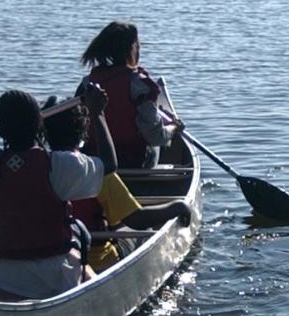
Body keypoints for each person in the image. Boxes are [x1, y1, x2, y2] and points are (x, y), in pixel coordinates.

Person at [0, 83, 116, 301]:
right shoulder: (60, 164)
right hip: (59, 277)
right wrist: (97, 113)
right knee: (98, 283)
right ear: (40, 125)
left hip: (3, 280)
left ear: (0, 130)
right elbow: (109, 164)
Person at [42, 99, 192, 274]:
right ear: (84, 133)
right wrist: (176, 207)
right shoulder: (96, 172)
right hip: (97, 262)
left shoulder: (37, 170)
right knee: (139, 231)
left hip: (52, 260)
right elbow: (138, 220)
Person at [79, 20, 182, 169]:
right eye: (138, 46)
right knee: (157, 142)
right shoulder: (140, 86)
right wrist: (173, 127)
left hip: (96, 162)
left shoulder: (87, 83)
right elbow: (155, 137)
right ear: (132, 49)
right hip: (133, 163)